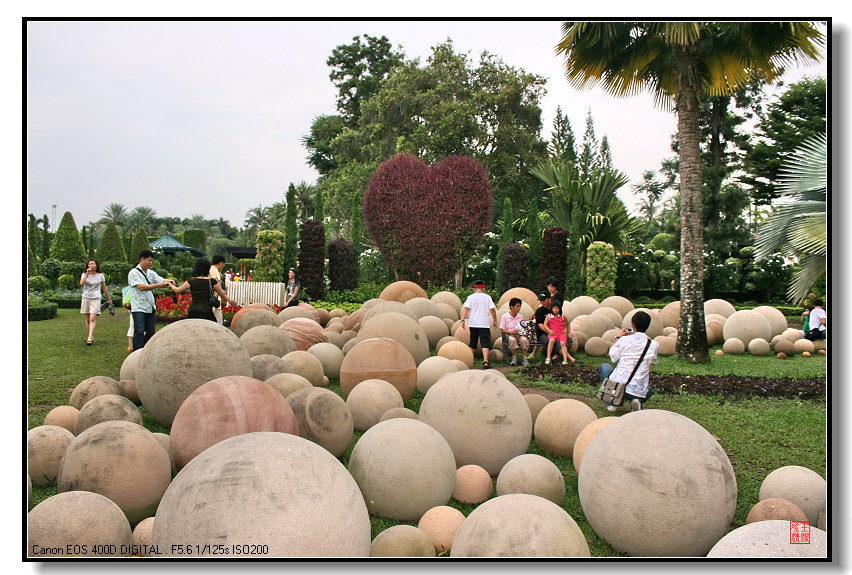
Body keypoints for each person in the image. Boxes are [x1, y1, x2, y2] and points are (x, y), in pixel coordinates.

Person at [599, 310, 660, 412]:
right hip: (638, 389)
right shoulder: (653, 345)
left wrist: (619, 336)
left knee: (604, 367)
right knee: (649, 390)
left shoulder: (624, 340)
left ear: (632, 324)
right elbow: (653, 361)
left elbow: (612, 355)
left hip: (618, 387)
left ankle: (612, 402)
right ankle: (637, 401)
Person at [128, 250, 176, 350]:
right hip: (138, 307)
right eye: (149, 260)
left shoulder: (151, 273)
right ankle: (137, 352)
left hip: (150, 306)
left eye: (152, 261)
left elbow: (161, 280)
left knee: (150, 332)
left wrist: (169, 281)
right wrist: (158, 285)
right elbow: (141, 287)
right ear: (142, 259)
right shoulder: (133, 273)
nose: (150, 263)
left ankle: (145, 350)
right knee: (139, 331)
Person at [172, 257, 239, 322]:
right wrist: (231, 301)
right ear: (208, 268)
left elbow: (177, 290)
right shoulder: (212, 282)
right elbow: (223, 295)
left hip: (193, 312)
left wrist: (170, 284)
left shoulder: (191, 282)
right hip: (206, 312)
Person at [459, 280, 497, 369]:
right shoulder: (487, 297)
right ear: (483, 288)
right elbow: (492, 309)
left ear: (474, 288)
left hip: (473, 323)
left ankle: (470, 361)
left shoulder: (470, 297)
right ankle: (486, 361)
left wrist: (462, 320)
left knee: (473, 342)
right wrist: (495, 320)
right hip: (484, 324)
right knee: (485, 343)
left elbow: (466, 309)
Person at [79, 259, 112, 345]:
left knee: (92, 317)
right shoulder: (84, 274)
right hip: (86, 298)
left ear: (96, 266)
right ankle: (90, 334)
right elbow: (81, 283)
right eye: (90, 264)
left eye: (93, 264)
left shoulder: (100, 275)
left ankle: (89, 337)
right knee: (87, 318)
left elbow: (104, 287)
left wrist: (109, 298)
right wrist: (87, 273)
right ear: (88, 266)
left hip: (96, 298)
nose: (92, 266)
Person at [543, 301, 577, 365]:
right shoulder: (549, 316)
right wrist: (549, 331)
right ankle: (548, 358)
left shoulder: (562, 316)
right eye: (554, 308)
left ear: (560, 309)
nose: (555, 310)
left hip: (561, 333)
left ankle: (565, 360)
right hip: (553, 333)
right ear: (551, 309)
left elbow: (567, 324)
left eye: (557, 308)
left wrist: (568, 332)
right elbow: (545, 325)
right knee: (552, 340)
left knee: (563, 343)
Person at [499, 297, 530, 366]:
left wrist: (525, 332)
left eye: (519, 306)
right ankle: (514, 358)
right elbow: (502, 329)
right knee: (512, 340)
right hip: (510, 334)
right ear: (511, 306)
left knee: (524, 340)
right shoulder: (505, 317)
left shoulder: (520, 316)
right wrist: (511, 332)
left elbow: (523, 326)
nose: (518, 308)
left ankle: (525, 358)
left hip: (519, 334)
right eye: (517, 306)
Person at [529, 291, 552, 360]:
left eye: (543, 300)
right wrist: (549, 332)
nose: (542, 302)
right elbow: (540, 325)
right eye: (540, 301)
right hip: (543, 334)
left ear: (549, 299)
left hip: (554, 331)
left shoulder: (555, 309)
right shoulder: (539, 311)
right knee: (550, 341)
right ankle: (549, 358)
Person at [209, 255, 227, 325]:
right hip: (214, 303)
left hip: (208, 302)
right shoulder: (214, 271)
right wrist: (227, 298)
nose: (223, 266)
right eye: (223, 264)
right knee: (218, 326)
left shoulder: (210, 268)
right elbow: (216, 286)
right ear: (221, 263)